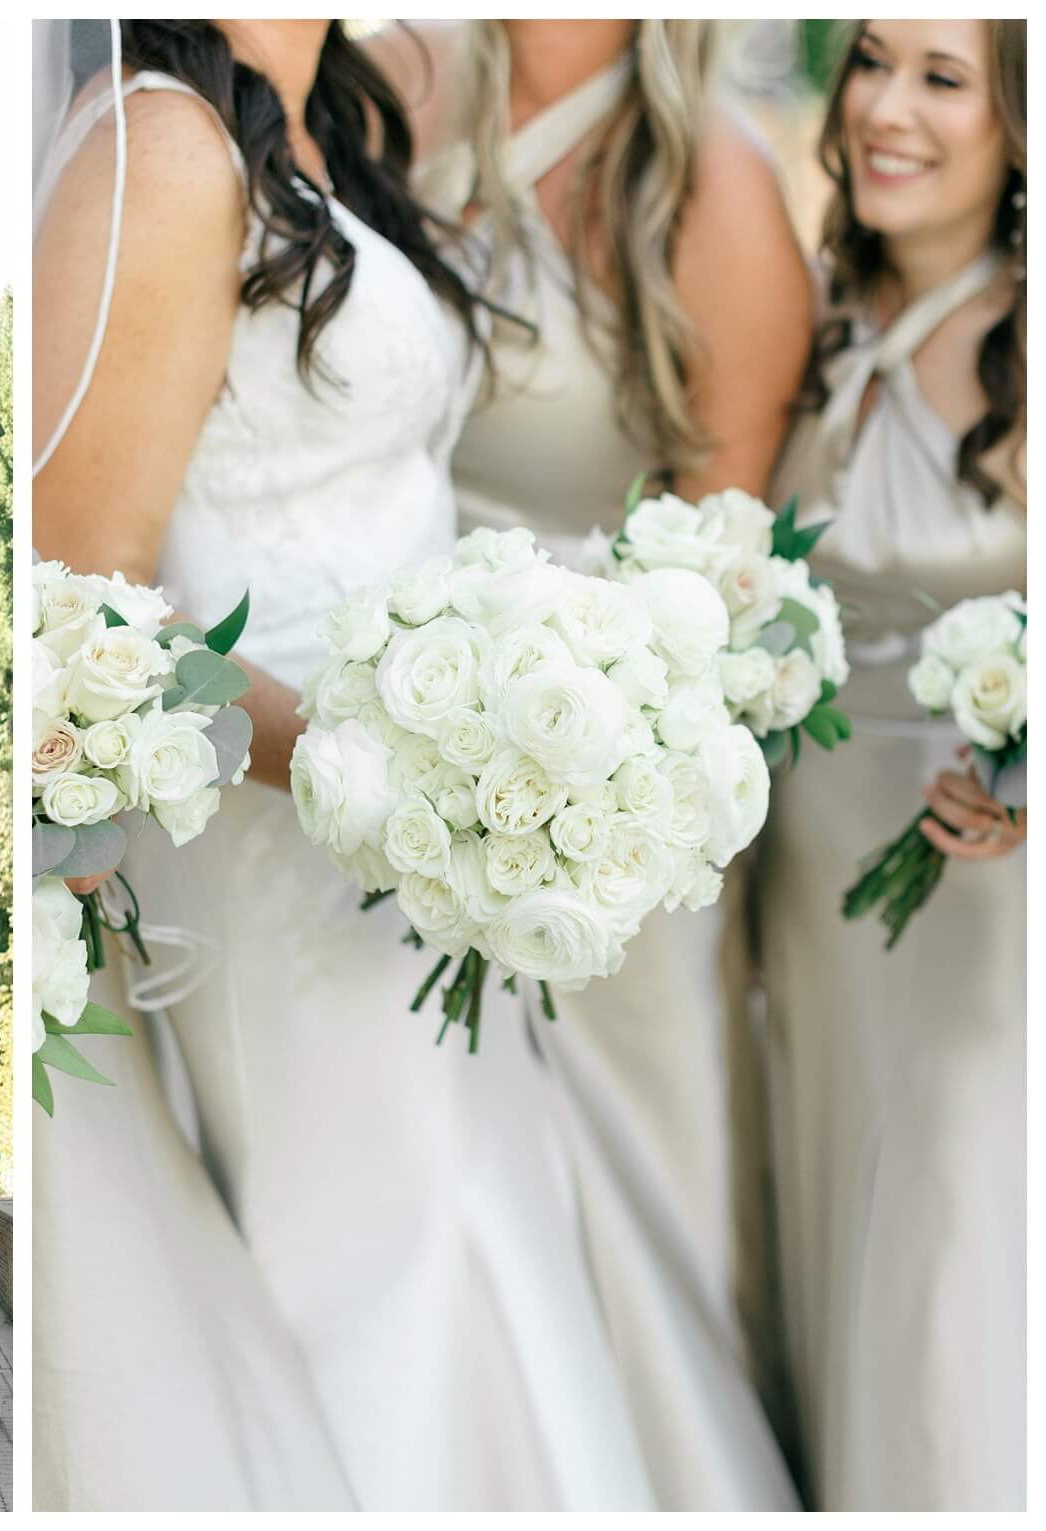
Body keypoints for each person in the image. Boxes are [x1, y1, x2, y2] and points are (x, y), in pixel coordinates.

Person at [33, 17, 691, 1509]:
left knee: (475, 1209)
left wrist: (555, 688)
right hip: (287, 829)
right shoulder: (166, 147)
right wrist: (390, 766)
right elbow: (85, 611)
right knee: (374, 1249)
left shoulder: (340, 98)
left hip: (443, 830)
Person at [376, 18, 809, 1507]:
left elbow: (723, 569)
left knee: (643, 1219)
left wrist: (575, 781)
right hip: (383, 760)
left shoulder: (713, 187)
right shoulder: (391, 81)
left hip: (615, 790)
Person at [760, 18, 1025, 1509]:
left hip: (975, 904)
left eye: (941, 76)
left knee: (941, 1266)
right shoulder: (821, 315)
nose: (884, 107)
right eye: (869, 61)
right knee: (837, 1254)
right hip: (808, 906)